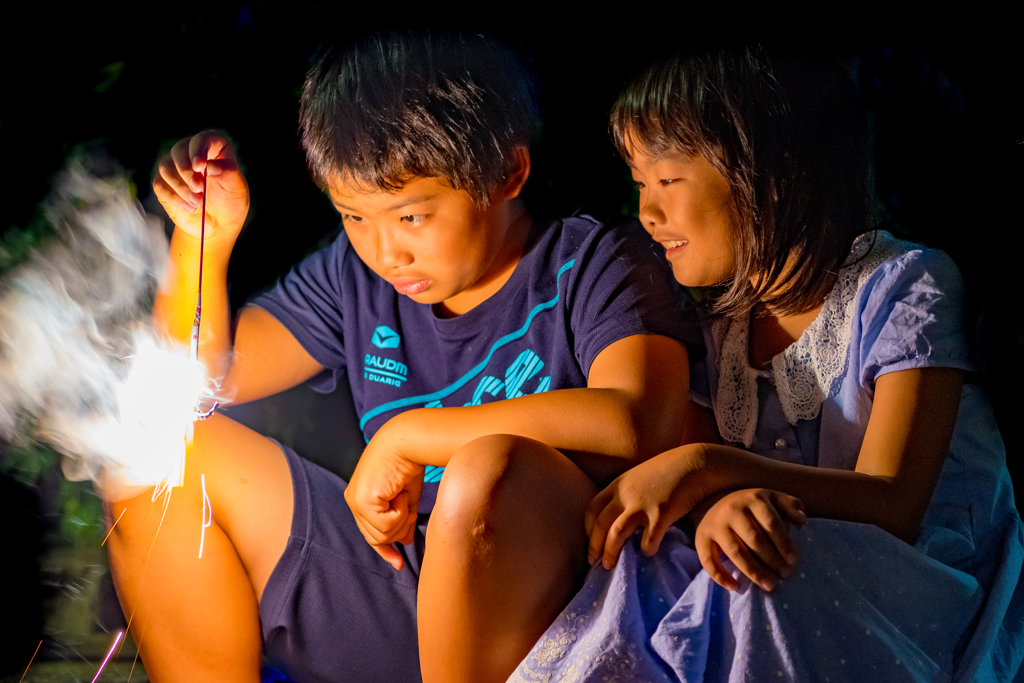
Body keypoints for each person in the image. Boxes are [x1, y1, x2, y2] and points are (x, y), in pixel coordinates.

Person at [104, 32, 701, 683]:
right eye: (354, 217)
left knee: (485, 469)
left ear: (507, 173)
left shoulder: (591, 263)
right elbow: (192, 380)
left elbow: (641, 423)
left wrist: (411, 435)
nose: (386, 253)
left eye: (412, 217)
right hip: (394, 593)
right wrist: (203, 245)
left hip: (553, 617)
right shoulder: (355, 279)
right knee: (152, 452)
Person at [510, 45, 1024, 682]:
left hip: (917, 582)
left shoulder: (905, 284)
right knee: (664, 562)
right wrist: (717, 504)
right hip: (790, 555)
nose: (645, 212)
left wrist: (709, 468)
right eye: (640, 185)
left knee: (771, 572)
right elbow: (703, 493)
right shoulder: (718, 326)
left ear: (770, 173)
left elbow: (895, 504)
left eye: (667, 181)